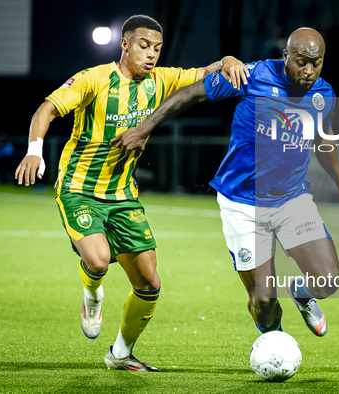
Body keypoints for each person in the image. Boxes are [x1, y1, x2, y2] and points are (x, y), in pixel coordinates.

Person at [14, 15, 248, 371]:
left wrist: (228, 60)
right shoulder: (94, 79)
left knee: (150, 284)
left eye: (156, 48)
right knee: (97, 259)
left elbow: (204, 72)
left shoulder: (160, 79)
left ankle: (120, 353)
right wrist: (34, 150)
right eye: (143, 46)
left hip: (123, 196)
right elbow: (46, 108)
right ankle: (92, 293)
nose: (151, 54)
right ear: (124, 44)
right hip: (79, 188)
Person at [112, 28, 339, 337]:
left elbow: (324, 138)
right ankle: (275, 343)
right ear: (285, 56)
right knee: (263, 301)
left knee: (328, 282)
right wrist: (146, 127)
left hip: (292, 200)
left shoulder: (323, 94)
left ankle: (301, 292)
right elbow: (191, 93)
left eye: (316, 63)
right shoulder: (253, 76)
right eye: (302, 62)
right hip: (242, 205)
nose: (309, 71)